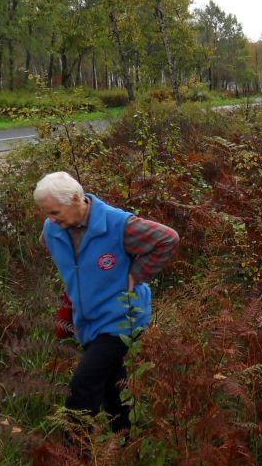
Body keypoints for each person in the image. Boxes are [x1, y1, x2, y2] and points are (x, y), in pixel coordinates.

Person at [34, 171, 179, 434]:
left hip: (121, 318)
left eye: (55, 212)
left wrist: (137, 274)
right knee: (114, 390)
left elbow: (167, 239)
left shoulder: (117, 224)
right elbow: (55, 248)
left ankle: (74, 457)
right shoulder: (52, 231)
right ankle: (125, 444)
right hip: (86, 320)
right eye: (47, 214)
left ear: (76, 198)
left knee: (83, 386)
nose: (51, 221)